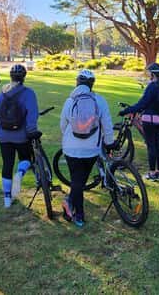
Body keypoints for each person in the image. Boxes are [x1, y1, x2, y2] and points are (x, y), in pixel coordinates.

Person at [59, 69, 114, 227]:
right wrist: (109, 143)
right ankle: (78, 213)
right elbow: (107, 125)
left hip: (71, 147)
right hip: (91, 148)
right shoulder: (100, 100)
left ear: (77, 82)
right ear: (92, 84)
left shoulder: (70, 101)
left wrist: (69, 137)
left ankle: (73, 207)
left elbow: (63, 125)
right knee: (80, 181)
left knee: (77, 180)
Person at [0, 63, 41, 208]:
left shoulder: (3, 92)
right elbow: (32, 115)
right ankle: (20, 174)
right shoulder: (28, 93)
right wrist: (31, 131)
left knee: (7, 164)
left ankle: (7, 199)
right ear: (24, 77)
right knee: (26, 158)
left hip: (3, 135)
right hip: (21, 135)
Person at [120, 63, 159, 181]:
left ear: (153, 74)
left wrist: (126, 110)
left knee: (151, 146)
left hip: (150, 121)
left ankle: (152, 173)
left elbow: (142, 103)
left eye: (150, 74)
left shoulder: (152, 87)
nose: (149, 76)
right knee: (158, 145)